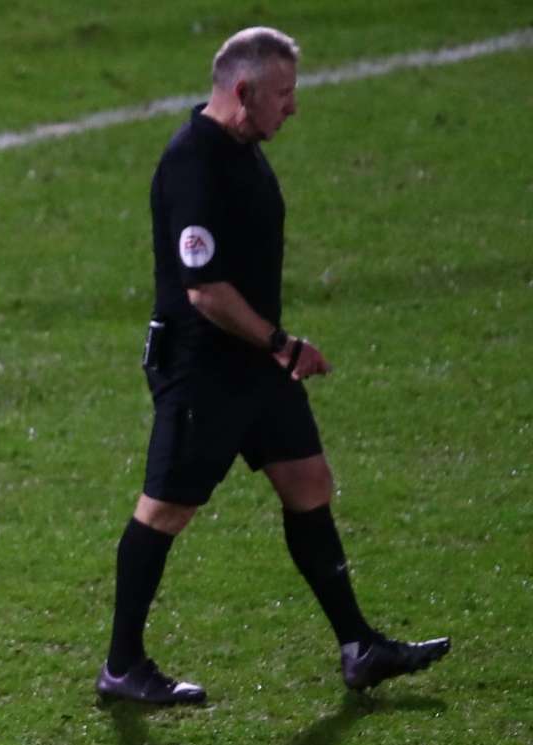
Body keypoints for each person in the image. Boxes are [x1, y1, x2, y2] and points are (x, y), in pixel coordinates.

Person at [100, 26, 448, 705]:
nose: (293, 106)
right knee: (165, 509)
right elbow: (205, 290)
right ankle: (121, 665)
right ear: (244, 90)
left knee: (308, 482)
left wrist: (271, 351)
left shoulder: (243, 149)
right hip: (203, 370)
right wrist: (282, 345)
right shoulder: (194, 161)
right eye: (283, 93)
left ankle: (358, 647)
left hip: (254, 364)